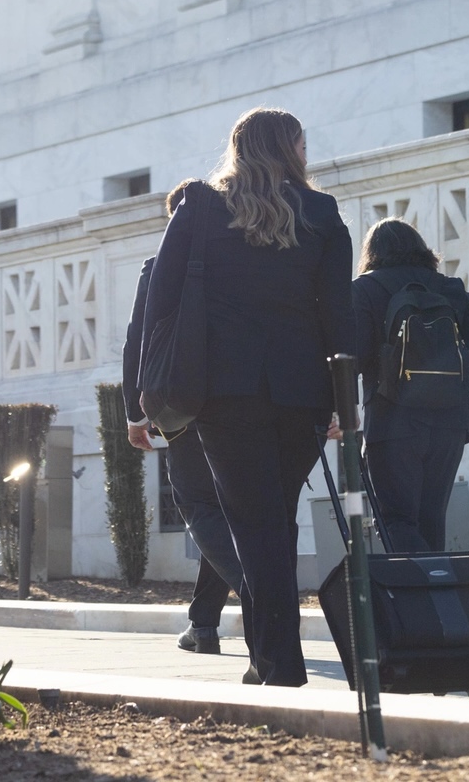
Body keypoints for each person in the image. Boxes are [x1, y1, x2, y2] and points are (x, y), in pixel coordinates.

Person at [140, 108, 353, 686]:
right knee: (273, 520)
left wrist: (149, 395)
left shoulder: (201, 207)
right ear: (289, 149)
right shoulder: (323, 212)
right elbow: (339, 316)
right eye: (302, 145)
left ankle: (280, 662)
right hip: (301, 390)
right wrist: (345, 401)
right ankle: (267, 658)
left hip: (224, 390)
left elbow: (160, 301)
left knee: (254, 522)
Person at [120, 192, 244, 655]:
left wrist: (135, 415)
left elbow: (138, 343)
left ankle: (255, 591)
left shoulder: (157, 268)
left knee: (198, 507)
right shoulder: (239, 260)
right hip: (238, 402)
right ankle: (203, 624)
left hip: (181, 404)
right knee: (225, 512)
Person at [351, 218, 469, 552]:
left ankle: (418, 601)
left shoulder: (364, 289)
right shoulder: (450, 288)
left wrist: (340, 411)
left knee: (395, 521)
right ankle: (438, 598)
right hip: (450, 422)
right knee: (432, 519)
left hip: (391, 422)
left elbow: (355, 356)